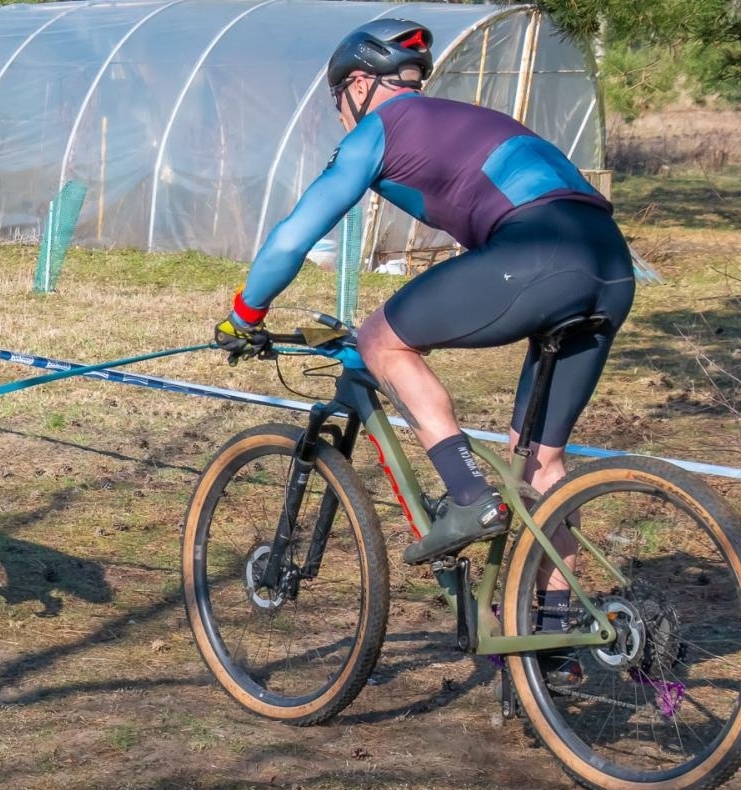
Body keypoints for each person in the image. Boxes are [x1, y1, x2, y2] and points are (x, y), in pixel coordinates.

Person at [214, 18, 636, 598]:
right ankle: (557, 639)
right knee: (540, 467)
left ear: (359, 85)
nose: (340, 112)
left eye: (338, 98)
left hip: (539, 253)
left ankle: (469, 497)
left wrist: (245, 314)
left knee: (381, 340)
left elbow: (293, 237)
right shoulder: (468, 120)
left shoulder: (381, 127)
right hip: (611, 264)